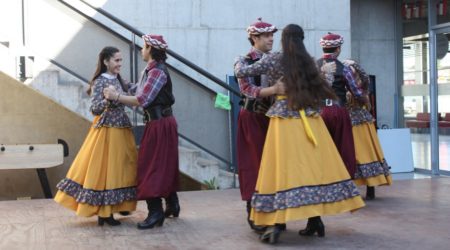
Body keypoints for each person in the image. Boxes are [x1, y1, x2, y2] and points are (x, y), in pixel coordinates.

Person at [235, 24, 365, 244]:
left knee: (280, 170)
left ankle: (275, 224)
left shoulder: (275, 59)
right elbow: (324, 88)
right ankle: (315, 220)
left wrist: (240, 60)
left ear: (284, 40)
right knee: (309, 171)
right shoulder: (310, 62)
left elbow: (241, 72)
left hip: (284, 119)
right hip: (310, 119)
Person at [54, 46, 137, 226]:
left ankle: (117, 206)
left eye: (121, 60)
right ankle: (105, 213)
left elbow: (136, 90)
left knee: (121, 170)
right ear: (106, 61)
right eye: (116, 60)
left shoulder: (120, 80)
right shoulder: (100, 81)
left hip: (122, 129)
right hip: (106, 131)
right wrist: (108, 99)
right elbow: (94, 109)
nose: (119, 64)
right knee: (106, 172)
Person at [103, 34, 180, 230]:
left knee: (150, 166)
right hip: (158, 122)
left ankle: (155, 213)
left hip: (160, 123)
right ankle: (172, 204)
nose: (140, 50)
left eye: (143, 47)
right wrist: (120, 80)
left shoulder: (158, 72)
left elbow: (141, 99)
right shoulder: (150, 70)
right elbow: (138, 89)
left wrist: (116, 96)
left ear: (150, 49)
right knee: (163, 164)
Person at [234, 18, 279, 232]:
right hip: (252, 117)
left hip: (273, 119)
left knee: (273, 165)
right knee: (253, 164)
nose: (271, 39)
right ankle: (254, 211)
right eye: (267, 35)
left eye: (272, 35)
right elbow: (247, 90)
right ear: (254, 38)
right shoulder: (243, 61)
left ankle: (273, 211)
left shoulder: (276, 59)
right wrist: (275, 90)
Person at [316, 32, 366, 179]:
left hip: (318, 111)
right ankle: (343, 182)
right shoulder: (344, 68)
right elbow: (356, 92)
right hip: (338, 111)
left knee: (321, 149)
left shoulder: (314, 66)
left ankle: (323, 181)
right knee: (344, 148)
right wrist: (364, 97)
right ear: (338, 49)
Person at [342, 59, 392, 199]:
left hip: (361, 123)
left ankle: (370, 187)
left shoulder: (360, 86)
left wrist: (354, 65)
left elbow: (365, 78)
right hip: (352, 122)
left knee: (367, 152)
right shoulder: (348, 85)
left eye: (352, 69)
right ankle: (356, 189)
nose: (350, 71)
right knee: (356, 154)